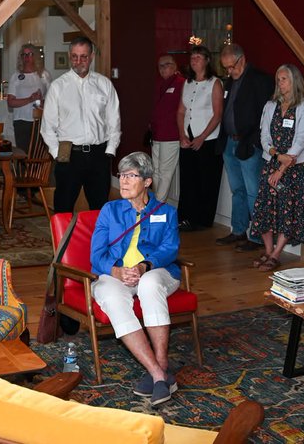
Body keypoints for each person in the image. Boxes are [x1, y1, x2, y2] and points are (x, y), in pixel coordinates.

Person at [90, 152, 181, 406]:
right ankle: (158, 374)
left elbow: (170, 248)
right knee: (110, 295)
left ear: (148, 181)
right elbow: (96, 255)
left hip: (156, 272)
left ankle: (161, 364)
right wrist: (116, 271)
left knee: (150, 284)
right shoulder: (110, 210)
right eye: (121, 175)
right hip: (116, 273)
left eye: (131, 176)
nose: (124, 181)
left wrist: (144, 267)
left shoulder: (167, 212)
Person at [249, 64, 304, 272]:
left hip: (296, 166)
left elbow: (302, 138)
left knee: (287, 210)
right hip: (272, 161)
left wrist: (283, 166)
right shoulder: (271, 105)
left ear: (294, 81)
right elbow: (264, 134)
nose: (279, 83)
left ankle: (276, 254)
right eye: (278, 79)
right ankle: (267, 249)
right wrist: (275, 154)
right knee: (264, 207)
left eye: (284, 79)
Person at [40, 36, 121, 213]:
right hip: (68, 154)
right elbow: (47, 128)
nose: (79, 61)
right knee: (63, 207)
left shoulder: (104, 84)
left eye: (83, 56)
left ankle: (98, 241)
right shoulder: (58, 87)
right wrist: (57, 154)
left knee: (99, 209)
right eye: (75, 56)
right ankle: (63, 241)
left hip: (99, 154)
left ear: (91, 56)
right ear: (70, 56)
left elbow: (114, 121)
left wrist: (110, 151)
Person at [216, 44, 273, 253]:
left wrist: (254, 141)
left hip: (248, 143)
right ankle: (238, 230)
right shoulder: (231, 81)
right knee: (237, 190)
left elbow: (264, 116)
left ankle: (258, 237)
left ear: (242, 59)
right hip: (230, 142)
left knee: (253, 192)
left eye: (231, 67)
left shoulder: (260, 79)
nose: (229, 72)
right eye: (226, 68)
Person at [176, 46, 224, 233]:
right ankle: (185, 216)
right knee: (187, 179)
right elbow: (181, 111)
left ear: (207, 60)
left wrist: (202, 137)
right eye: (192, 57)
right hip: (187, 137)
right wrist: (182, 134)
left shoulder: (215, 83)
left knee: (206, 180)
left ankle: (201, 219)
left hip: (208, 139)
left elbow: (217, 114)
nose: (193, 60)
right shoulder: (187, 83)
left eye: (197, 57)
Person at [148, 55, 184, 204]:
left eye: (166, 65)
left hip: (171, 135)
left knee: (165, 172)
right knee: (155, 170)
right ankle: (157, 200)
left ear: (175, 66)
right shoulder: (159, 84)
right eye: (160, 66)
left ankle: (157, 205)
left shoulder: (182, 83)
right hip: (156, 134)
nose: (163, 68)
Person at [6, 44, 49, 148]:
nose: (26, 57)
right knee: (23, 155)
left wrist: (41, 101)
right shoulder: (16, 76)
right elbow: (10, 102)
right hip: (21, 121)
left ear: (36, 56)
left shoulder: (44, 75)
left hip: (40, 121)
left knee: (37, 153)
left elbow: (51, 100)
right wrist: (30, 99)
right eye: (23, 54)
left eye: (29, 54)